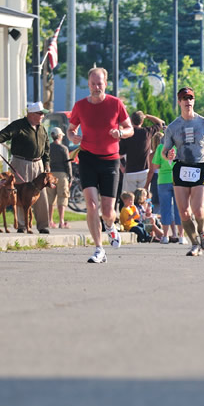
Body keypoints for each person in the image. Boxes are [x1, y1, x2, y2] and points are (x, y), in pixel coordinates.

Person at [67, 68, 133, 263]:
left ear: (106, 84)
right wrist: (73, 136)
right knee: (91, 205)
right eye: (93, 84)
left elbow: (130, 129)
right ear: (88, 84)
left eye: (100, 83)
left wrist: (120, 133)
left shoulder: (116, 104)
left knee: (107, 211)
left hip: (110, 160)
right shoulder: (80, 106)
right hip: (87, 158)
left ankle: (111, 227)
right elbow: (70, 129)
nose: (97, 87)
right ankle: (98, 249)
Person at [162, 86, 204, 257]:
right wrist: (168, 154)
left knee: (198, 209)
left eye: (190, 98)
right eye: (184, 98)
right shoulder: (173, 127)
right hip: (181, 167)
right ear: (179, 102)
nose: (188, 101)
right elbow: (164, 151)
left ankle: (203, 231)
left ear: (194, 101)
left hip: (200, 167)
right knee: (184, 211)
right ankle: (195, 244)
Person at [0, 101, 51, 234]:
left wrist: (47, 164)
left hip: (38, 164)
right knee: (21, 194)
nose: (42, 116)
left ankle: (43, 225)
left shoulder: (42, 129)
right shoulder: (19, 125)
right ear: (31, 114)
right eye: (40, 113)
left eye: (43, 114)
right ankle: (22, 225)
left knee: (41, 194)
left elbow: (47, 148)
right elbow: (5, 134)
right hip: (21, 163)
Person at [145, 132, 185, 244]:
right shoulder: (179, 147)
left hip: (163, 179)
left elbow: (155, 166)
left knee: (165, 208)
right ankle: (181, 236)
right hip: (178, 180)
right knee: (179, 208)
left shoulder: (160, 147)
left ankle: (165, 236)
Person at [119, 111, 165, 196]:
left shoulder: (127, 135)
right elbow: (160, 123)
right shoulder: (147, 132)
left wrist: (122, 167)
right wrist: (147, 116)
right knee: (143, 199)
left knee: (129, 199)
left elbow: (119, 153)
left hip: (130, 171)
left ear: (131, 121)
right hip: (144, 170)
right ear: (142, 121)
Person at [46, 127, 72, 229]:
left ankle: (50, 221)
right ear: (60, 136)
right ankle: (61, 222)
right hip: (62, 175)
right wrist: (70, 177)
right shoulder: (64, 148)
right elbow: (68, 164)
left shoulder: (48, 148)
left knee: (50, 198)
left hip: (51, 175)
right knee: (62, 197)